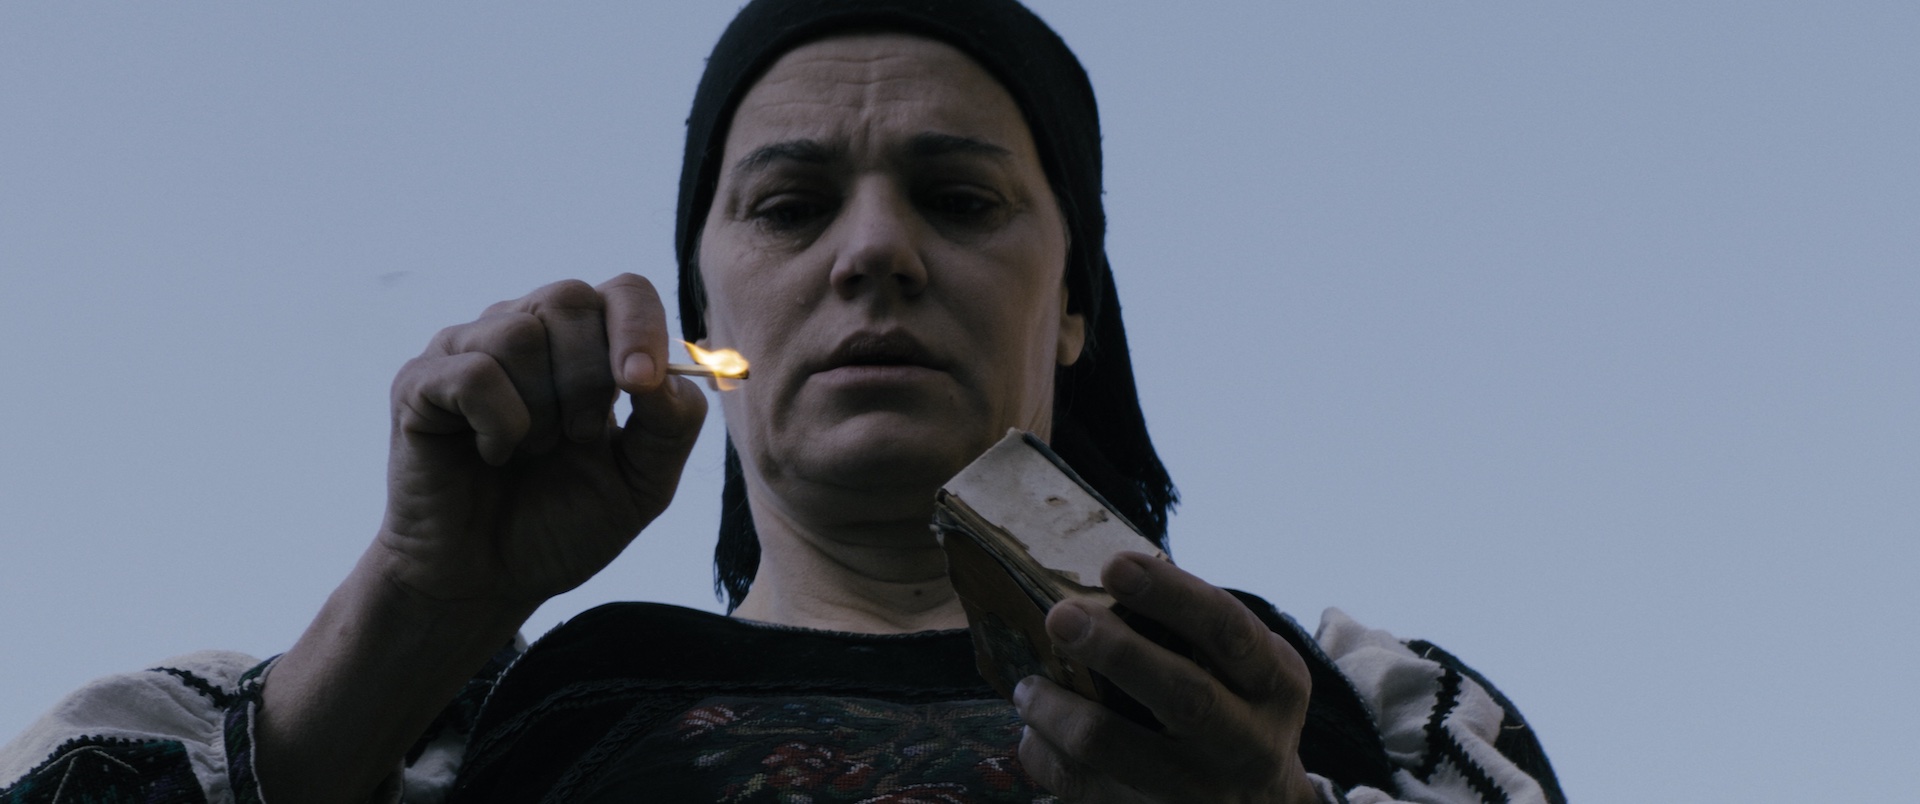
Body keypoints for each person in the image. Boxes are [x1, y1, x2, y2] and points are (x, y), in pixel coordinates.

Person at [0, 1, 1565, 802]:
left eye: (959, 199)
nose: (873, 252)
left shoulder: (1364, 707)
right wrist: (414, 608)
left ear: (1076, 304)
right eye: (792, 205)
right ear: (704, 319)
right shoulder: (451, 738)